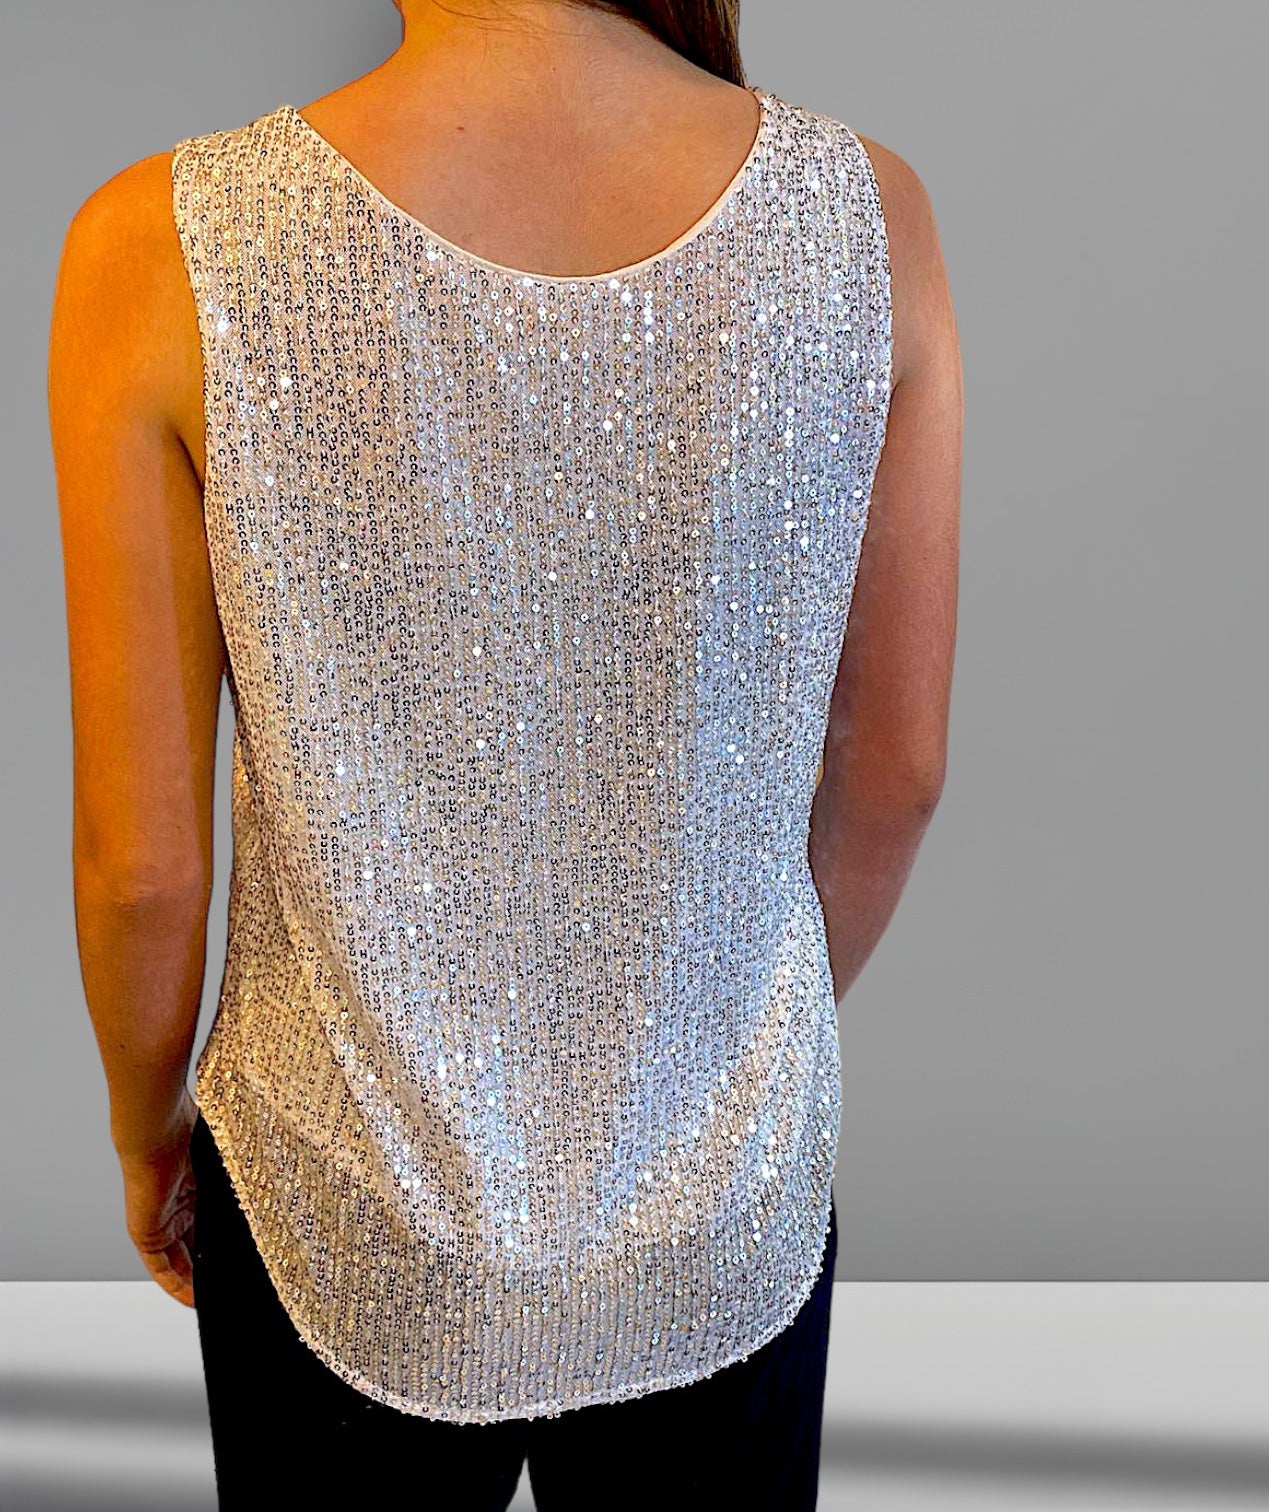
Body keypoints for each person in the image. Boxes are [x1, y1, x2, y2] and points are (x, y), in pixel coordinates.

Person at [48, 0, 961, 1506]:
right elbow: (895, 772)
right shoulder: (863, 215)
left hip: (336, 1194)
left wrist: (151, 1134)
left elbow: (143, 868)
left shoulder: (161, 240)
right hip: (717, 1205)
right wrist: (712, 1050)